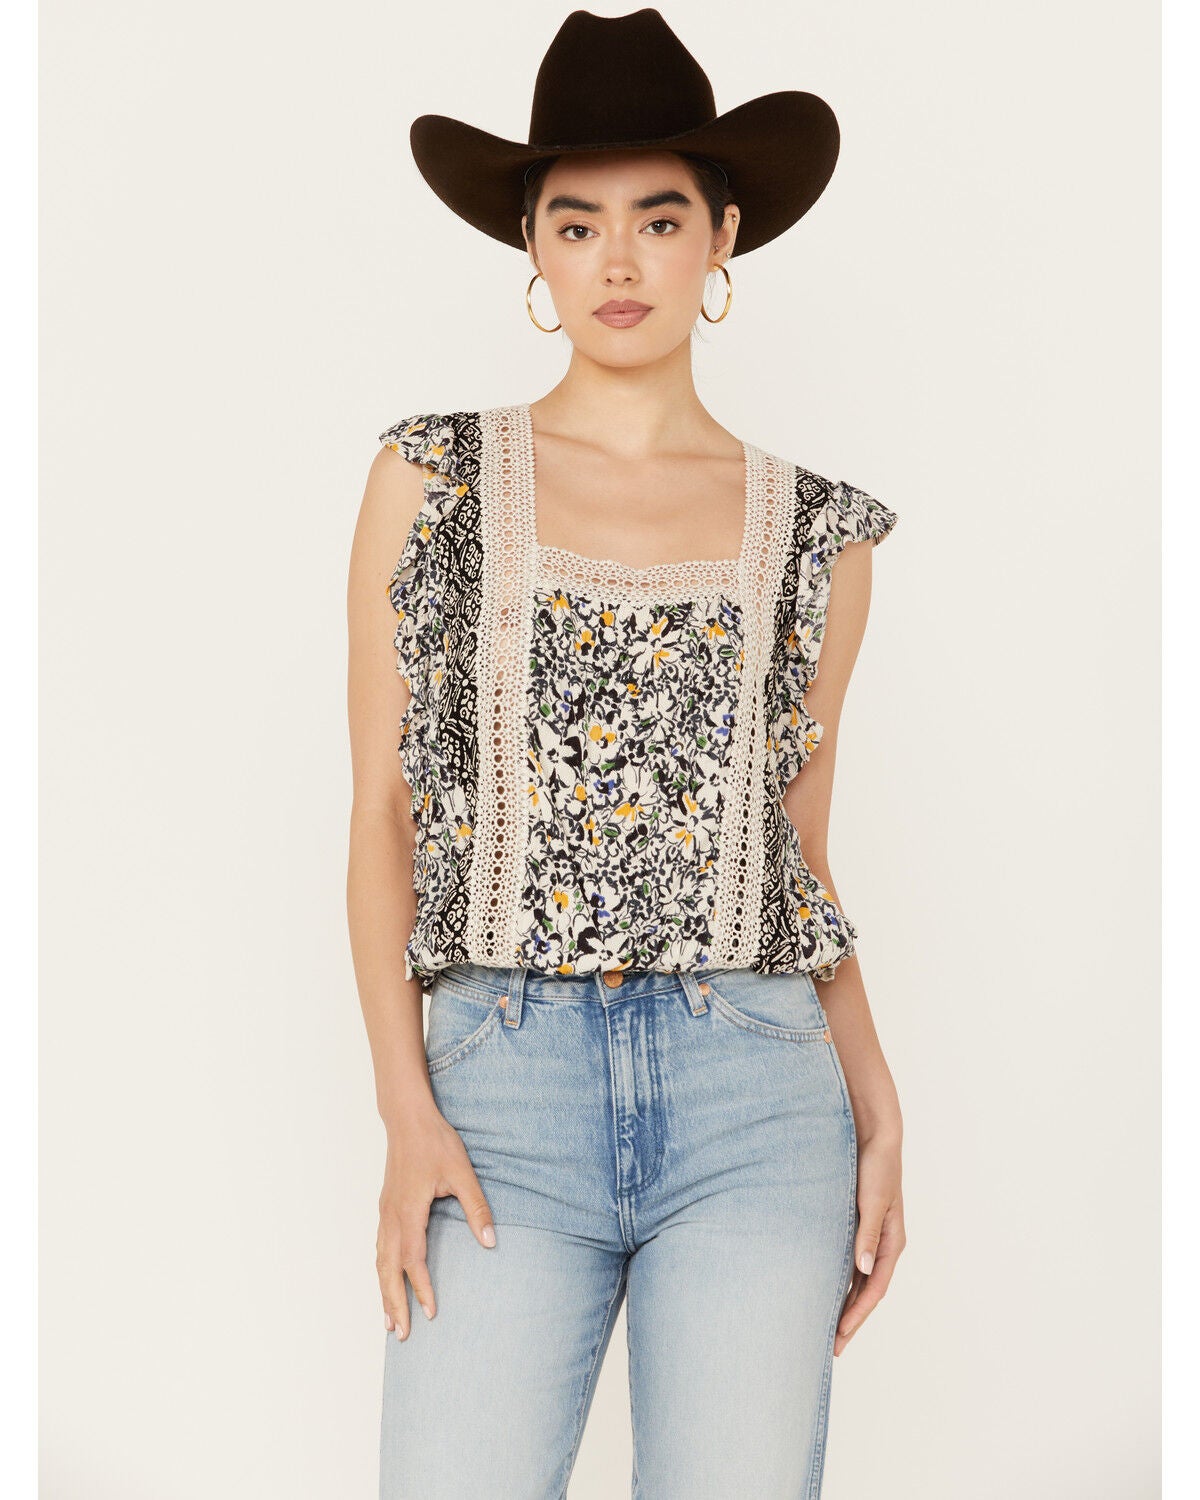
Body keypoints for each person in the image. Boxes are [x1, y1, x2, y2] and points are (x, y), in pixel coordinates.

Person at [346, 9, 906, 1497]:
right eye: (576, 222)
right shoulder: (434, 479)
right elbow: (382, 813)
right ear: (531, 248)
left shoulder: (820, 533)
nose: (617, 261)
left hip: (757, 1095)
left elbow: (797, 850)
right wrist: (405, 1108)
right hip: (500, 1091)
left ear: (723, 237)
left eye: (659, 219)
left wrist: (876, 1097)